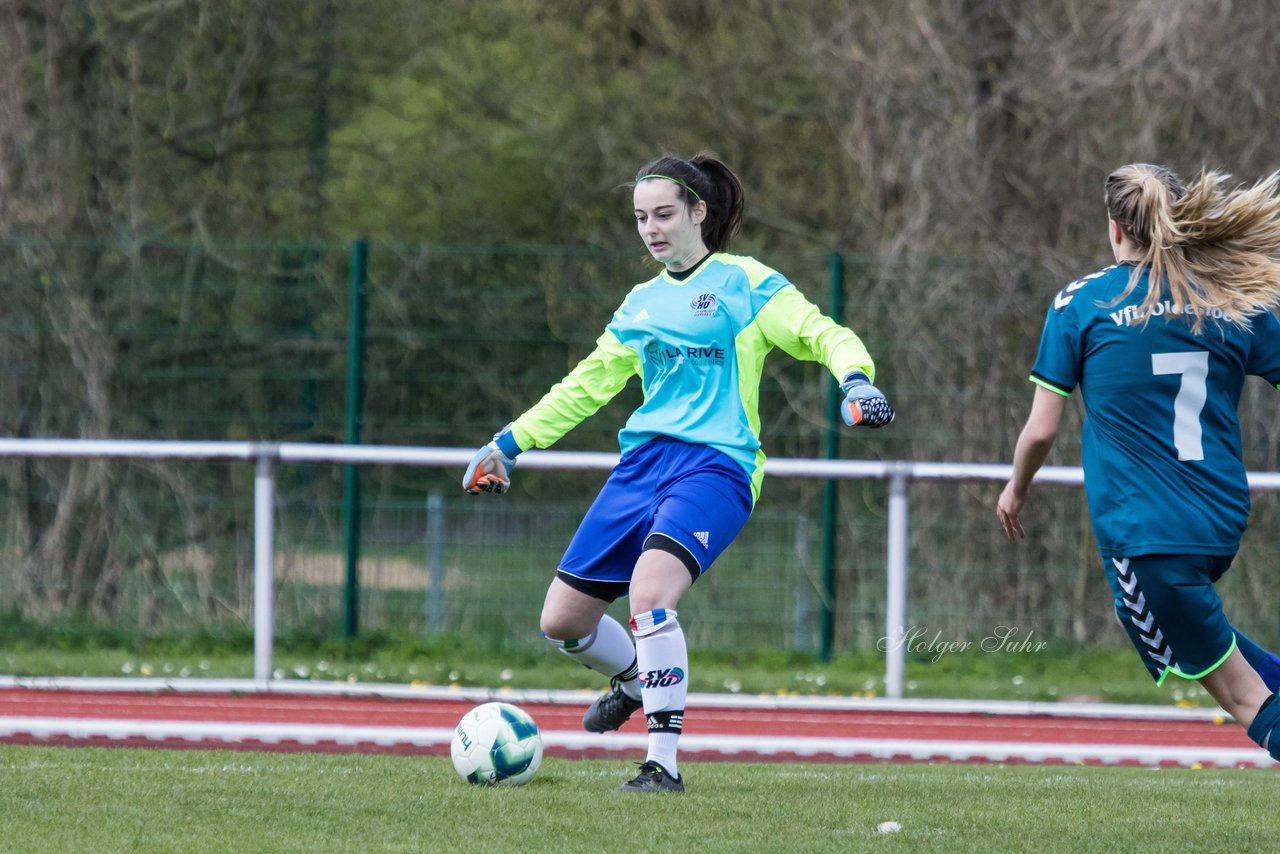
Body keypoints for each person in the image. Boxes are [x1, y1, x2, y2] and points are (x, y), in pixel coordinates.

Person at [461, 152, 893, 792]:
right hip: (641, 467)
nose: (651, 228)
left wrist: (856, 381)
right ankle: (635, 678)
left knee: (650, 594)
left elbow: (821, 333)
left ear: (699, 211)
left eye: (664, 213)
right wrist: (509, 443)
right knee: (562, 622)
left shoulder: (746, 283)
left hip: (716, 467)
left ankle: (661, 764)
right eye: (641, 217)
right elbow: (584, 386)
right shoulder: (639, 304)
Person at [997, 163, 1280, 760]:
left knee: (1245, 699)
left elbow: (1042, 430)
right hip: (1221, 522)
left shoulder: (1082, 303)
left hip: (1145, 533)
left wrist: (1015, 488)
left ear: (1114, 228)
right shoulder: (1231, 301)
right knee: (1206, 641)